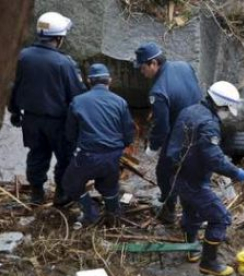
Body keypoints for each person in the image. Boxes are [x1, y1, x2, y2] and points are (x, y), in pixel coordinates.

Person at [167, 81, 244, 276]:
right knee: (221, 218)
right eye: (226, 109)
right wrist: (236, 172)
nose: (227, 114)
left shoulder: (189, 111)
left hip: (177, 174)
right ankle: (209, 263)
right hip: (193, 180)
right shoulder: (209, 124)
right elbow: (214, 158)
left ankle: (191, 249)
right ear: (219, 104)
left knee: (191, 211)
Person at [8, 12, 85, 205]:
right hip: (58, 122)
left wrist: (14, 111)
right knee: (65, 158)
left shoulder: (23, 57)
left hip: (31, 119)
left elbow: (14, 86)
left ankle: (36, 194)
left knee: (37, 154)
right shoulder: (64, 63)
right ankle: (61, 194)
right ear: (59, 38)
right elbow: (77, 95)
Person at [134, 42, 202, 224]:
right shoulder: (184, 66)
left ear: (153, 63)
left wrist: (153, 147)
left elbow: (162, 127)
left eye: (142, 68)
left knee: (164, 172)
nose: (142, 72)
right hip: (201, 123)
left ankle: (169, 209)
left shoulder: (158, 92)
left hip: (181, 132)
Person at [61, 63, 135, 226]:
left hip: (88, 155)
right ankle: (113, 216)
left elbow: (70, 134)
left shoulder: (78, 101)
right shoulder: (120, 102)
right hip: (112, 155)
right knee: (109, 187)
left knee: (70, 183)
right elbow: (129, 132)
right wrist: (121, 147)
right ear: (109, 80)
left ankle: (91, 213)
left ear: (89, 81)